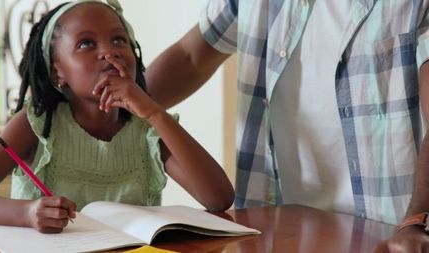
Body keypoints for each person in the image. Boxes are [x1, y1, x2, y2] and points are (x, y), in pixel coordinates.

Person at [145, 0, 429, 251]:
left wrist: (416, 220)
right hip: (277, 234)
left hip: (386, 234)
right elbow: (190, 57)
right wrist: (113, 99)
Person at [0, 0, 234, 234]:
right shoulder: (34, 125)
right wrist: (26, 213)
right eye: (86, 44)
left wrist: (155, 112)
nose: (110, 52)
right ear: (56, 72)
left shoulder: (146, 128)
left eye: (119, 40)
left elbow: (218, 198)